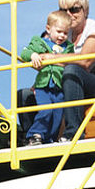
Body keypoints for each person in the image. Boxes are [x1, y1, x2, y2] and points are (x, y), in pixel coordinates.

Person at [55, 0, 95, 139]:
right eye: (63, 10)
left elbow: (85, 60)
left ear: (85, 10)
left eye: (74, 9)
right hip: (70, 85)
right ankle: (33, 138)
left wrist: (50, 58)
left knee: (72, 70)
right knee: (25, 94)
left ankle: (73, 133)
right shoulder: (62, 34)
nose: (69, 14)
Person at [16, 10, 76, 145]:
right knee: (46, 110)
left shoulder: (68, 48)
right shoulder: (40, 42)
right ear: (48, 29)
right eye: (59, 31)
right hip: (44, 86)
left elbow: (72, 61)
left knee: (58, 114)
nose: (62, 36)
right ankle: (35, 134)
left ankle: (48, 139)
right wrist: (33, 56)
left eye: (65, 33)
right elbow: (25, 52)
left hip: (59, 86)